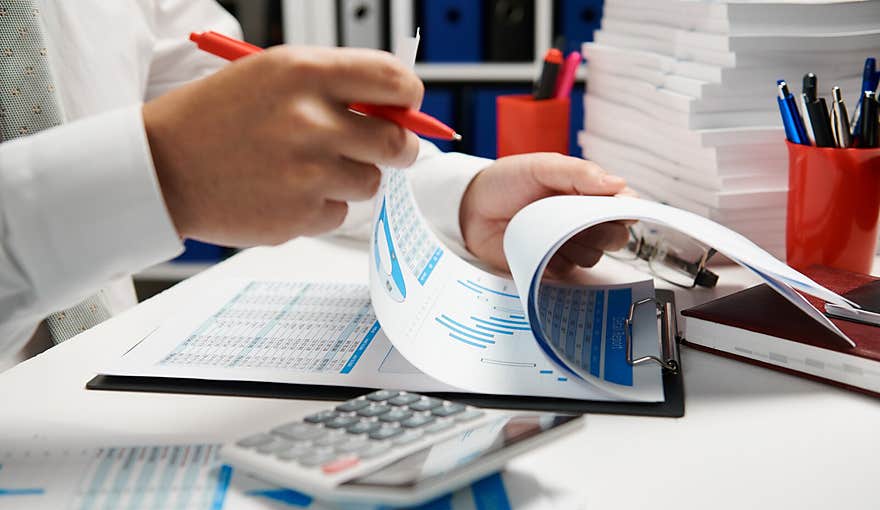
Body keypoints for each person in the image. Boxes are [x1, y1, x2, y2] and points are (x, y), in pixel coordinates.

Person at [0, 0, 632, 371]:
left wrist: (463, 202)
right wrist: (158, 172)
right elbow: (183, 143)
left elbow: (228, 101)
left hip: (101, 398)